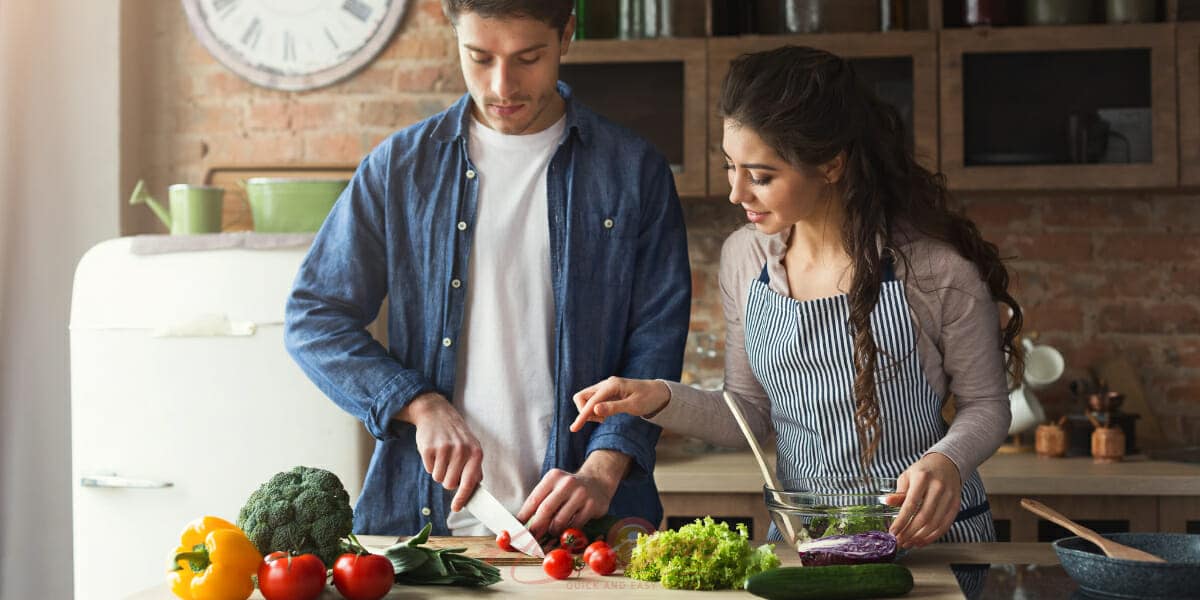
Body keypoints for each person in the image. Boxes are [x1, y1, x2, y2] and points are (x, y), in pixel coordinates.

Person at [572, 46, 1023, 552]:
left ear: (831, 165)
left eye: (761, 176)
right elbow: (747, 412)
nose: (736, 192)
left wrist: (949, 461)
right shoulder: (746, 259)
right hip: (804, 542)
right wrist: (657, 397)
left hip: (927, 540)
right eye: (730, 167)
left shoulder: (935, 272)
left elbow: (986, 405)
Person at [284, 0, 690, 540]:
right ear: (454, 36)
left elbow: (654, 342)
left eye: (528, 58)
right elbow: (314, 316)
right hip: (427, 527)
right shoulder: (401, 168)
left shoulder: (633, 170)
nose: (502, 85)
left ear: (566, 35)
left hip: (590, 524)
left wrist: (602, 469)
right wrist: (418, 402)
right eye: (479, 57)